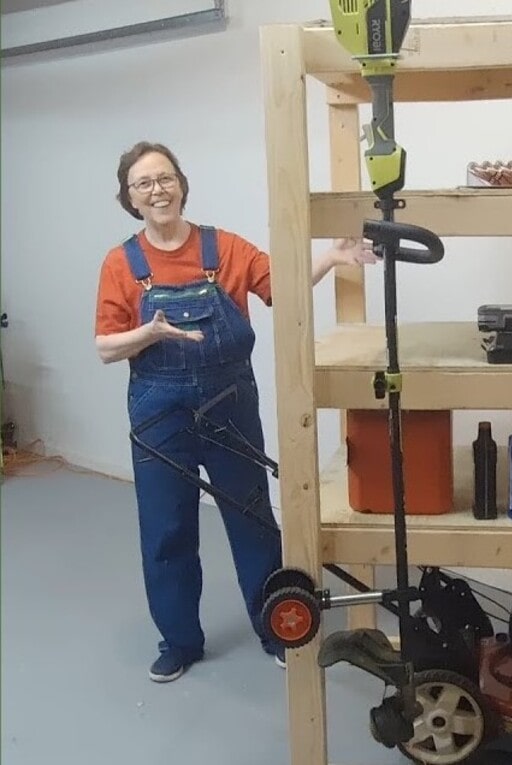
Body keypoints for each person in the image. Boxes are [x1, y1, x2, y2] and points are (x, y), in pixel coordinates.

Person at [94, 141, 375, 683]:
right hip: (158, 415)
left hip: (229, 405)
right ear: (130, 198)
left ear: (182, 183)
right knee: (166, 530)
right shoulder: (121, 262)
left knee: (253, 521)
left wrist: (329, 257)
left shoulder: (221, 247)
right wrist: (149, 333)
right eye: (144, 183)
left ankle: (275, 627)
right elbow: (105, 346)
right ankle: (179, 642)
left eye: (165, 178)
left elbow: (280, 286)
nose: (158, 190)